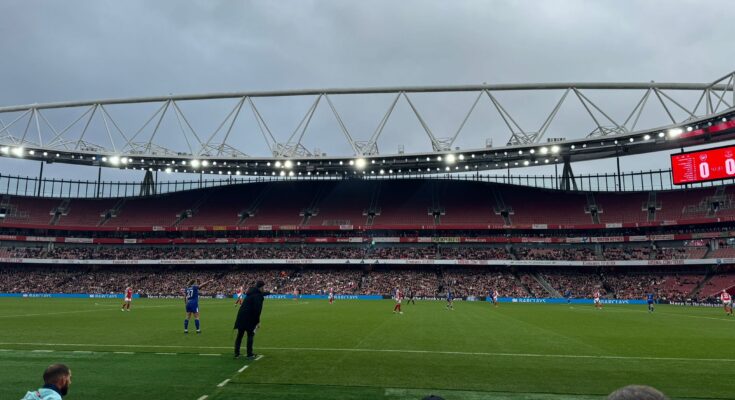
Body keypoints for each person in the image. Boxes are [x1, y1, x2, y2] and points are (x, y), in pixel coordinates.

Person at [234, 280, 271, 359]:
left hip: (241, 316)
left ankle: (236, 353)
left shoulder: (251, 292)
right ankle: (249, 354)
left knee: (240, 335)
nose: (264, 289)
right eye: (263, 287)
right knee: (250, 334)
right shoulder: (258, 296)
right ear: (261, 287)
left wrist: (269, 293)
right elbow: (257, 310)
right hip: (249, 318)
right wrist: (257, 321)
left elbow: (262, 293)